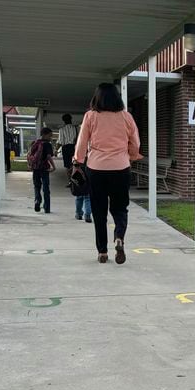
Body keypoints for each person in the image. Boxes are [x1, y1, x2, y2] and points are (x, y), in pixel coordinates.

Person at [73, 83, 143, 264]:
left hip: (96, 168)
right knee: (120, 207)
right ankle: (119, 237)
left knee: (99, 210)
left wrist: (78, 161)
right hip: (121, 168)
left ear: (96, 98)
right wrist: (132, 155)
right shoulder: (126, 117)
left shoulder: (91, 116)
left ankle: (102, 252)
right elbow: (135, 141)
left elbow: (82, 142)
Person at [30, 127, 56, 213]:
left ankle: (37, 200)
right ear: (44, 135)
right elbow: (49, 156)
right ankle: (47, 207)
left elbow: (30, 154)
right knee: (46, 188)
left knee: (37, 186)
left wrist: (30, 165)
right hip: (44, 169)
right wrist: (53, 166)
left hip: (36, 168)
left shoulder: (35, 143)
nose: (50, 138)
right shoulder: (47, 144)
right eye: (50, 136)